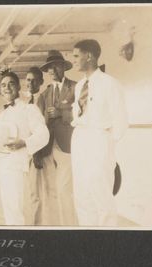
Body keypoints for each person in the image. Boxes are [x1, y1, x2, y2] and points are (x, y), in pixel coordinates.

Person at [71, 39, 128, 226]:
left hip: (99, 142)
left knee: (102, 196)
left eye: (76, 56)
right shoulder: (80, 86)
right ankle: (87, 240)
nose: (74, 60)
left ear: (89, 56)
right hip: (80, 141)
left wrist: (105, 146)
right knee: (82, 195)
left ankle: (107, 243)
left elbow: (121, 121)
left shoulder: (110, 84)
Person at [0, 70, 49, 225]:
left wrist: (25, 142)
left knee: (13, 212)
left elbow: (43, 134)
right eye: (3, 85)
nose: (6, 88)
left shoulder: (29, 109)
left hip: (13, 166)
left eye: (11, 84)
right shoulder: (4, 112)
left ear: (19, 86)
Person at [38, 50, 78, 226]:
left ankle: (70, 227)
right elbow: (38, 122)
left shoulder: (76, 87)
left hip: (67, 145)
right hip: (48, 147)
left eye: (54, 66)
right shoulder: (45, 94)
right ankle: (55, 227)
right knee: (51, 190)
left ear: (63, 67)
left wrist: (61, 112)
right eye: (48, 68)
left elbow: (81, 113)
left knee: (64, 190)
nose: (51, 70)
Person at [19, 66, 45, 225]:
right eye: (28, 79)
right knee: (22, 191)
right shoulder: (22, 100)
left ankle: (35, 226)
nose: (31, 83)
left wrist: (37, 153)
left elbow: (43, 129)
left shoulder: (43, 99)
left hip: (35, 152)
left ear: (41, 82)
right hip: (22, 151)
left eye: (35, 80)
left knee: (35, 194)